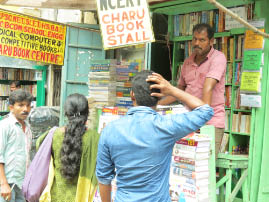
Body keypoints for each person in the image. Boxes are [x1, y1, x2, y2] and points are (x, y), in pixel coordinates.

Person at [96, 70, 214, 202]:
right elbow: (205, 111)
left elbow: (103, 178)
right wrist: (172, 90)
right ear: (159, 97)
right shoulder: (166, 126)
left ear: (132, 95)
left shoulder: (110, 131)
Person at [159, 23, 227, 156]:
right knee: (186, 163)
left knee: (207, 165)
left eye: (202, 40)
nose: (197, 43)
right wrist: (157, 105)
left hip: (211, 122)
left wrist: (202, 118)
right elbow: (179, 92)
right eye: (195, 39)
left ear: (211, 41)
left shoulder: (218, 58)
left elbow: (208, 88)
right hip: (189, 120)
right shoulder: (187, 61)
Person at [36, 93, 99, 202]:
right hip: (83, 196)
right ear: (87, 113)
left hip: (55, 196)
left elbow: (39, 147)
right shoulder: (95, 138)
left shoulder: (53, 135)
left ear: (66, 113)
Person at [0, 89, 33, 202]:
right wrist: (3, 184)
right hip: (7, 184)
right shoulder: (5, 126)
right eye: (21, 105)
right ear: (11, 107)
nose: (25, 109)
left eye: (28, 106)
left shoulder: (28, 127)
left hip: (22, 183)